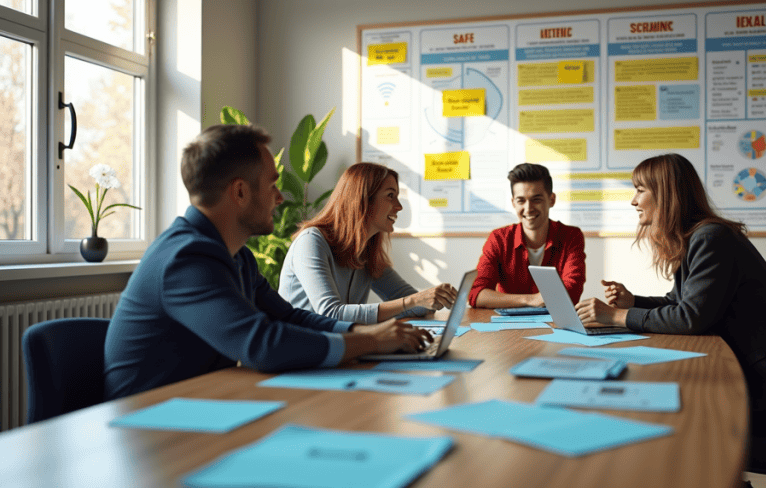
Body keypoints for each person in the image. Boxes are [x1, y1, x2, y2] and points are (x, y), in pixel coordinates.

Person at [573, 153, 766, 488]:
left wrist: (616, 316)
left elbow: (690, 317)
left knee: (668, 411)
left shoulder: (712, 238)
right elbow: (681, 303)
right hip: (763, 383)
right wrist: (633, 301)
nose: (633, 200)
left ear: (666, 195)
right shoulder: (700, 237)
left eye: (639, 190)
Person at [104, 125, 431, 401]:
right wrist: (372, 341)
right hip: (150, 421)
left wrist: (367, 332)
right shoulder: (186, 258)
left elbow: (289, 317)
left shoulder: (237, 255)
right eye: (273, 184)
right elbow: (261, 344)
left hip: (198, 402)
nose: (279, 197)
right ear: (241, 192)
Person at [278, 162, 458, 323]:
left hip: (339, 347)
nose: (399, 206)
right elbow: (331, 314)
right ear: (363, 200)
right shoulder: (311, 241)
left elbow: (411, 302)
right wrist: (414, 301)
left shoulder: (366, 250)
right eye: (390, 196)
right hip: (301, 353)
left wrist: (433, 298)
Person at [469, 163, 586, 308]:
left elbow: (571, 293)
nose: (528, 208)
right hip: (508, 328)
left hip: (556, 324)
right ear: (513, 203)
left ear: (551, 200)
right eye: (521, 200)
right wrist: (530, 300)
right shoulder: (499, 239)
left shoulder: (571, 236)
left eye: (536, 199)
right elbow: (476, 294)